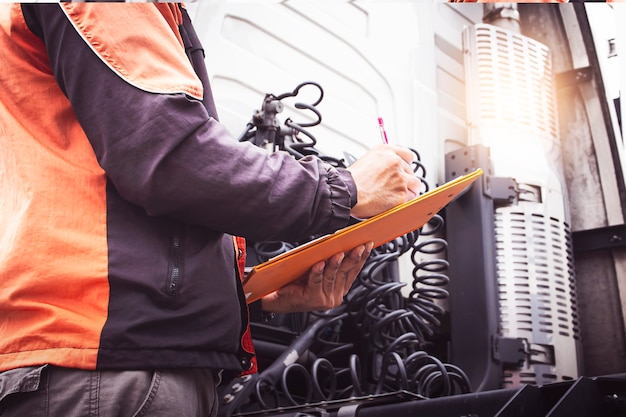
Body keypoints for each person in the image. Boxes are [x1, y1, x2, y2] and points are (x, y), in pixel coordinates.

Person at [0, 3, 420, 416]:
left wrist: (254, 296)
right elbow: (171, 159)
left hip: (112, 364)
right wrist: (344, 188)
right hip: (109, 369)